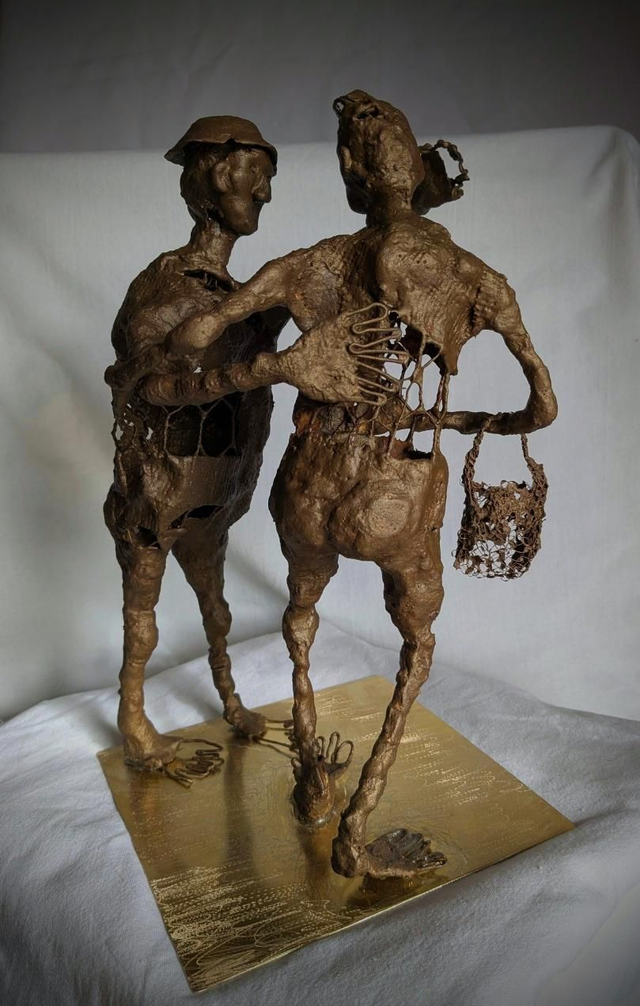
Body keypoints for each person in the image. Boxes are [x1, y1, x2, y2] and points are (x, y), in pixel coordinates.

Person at [136, 91, 557, 877]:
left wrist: (285, 362)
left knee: (301, 609)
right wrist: (457, 421)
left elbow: (194, 335)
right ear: (418, 172)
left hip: (309, 482)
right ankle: (356, 824)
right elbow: (542, 408)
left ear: (348, 170)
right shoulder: (479, 279)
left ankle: (309, 770)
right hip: (395, 494)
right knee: (417, 644)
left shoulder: (313, 263)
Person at [104, 116, 289, 771]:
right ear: (212, 181)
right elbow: (140, 381)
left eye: (267, 179)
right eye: (252, 176)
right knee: (143, 610)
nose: (264, 192)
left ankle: (229, 698)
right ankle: (133, 718)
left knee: (216, 604)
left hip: (219, 483)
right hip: (160, 487)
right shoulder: (167, 283)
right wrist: (250, 371)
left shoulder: (247, 297)